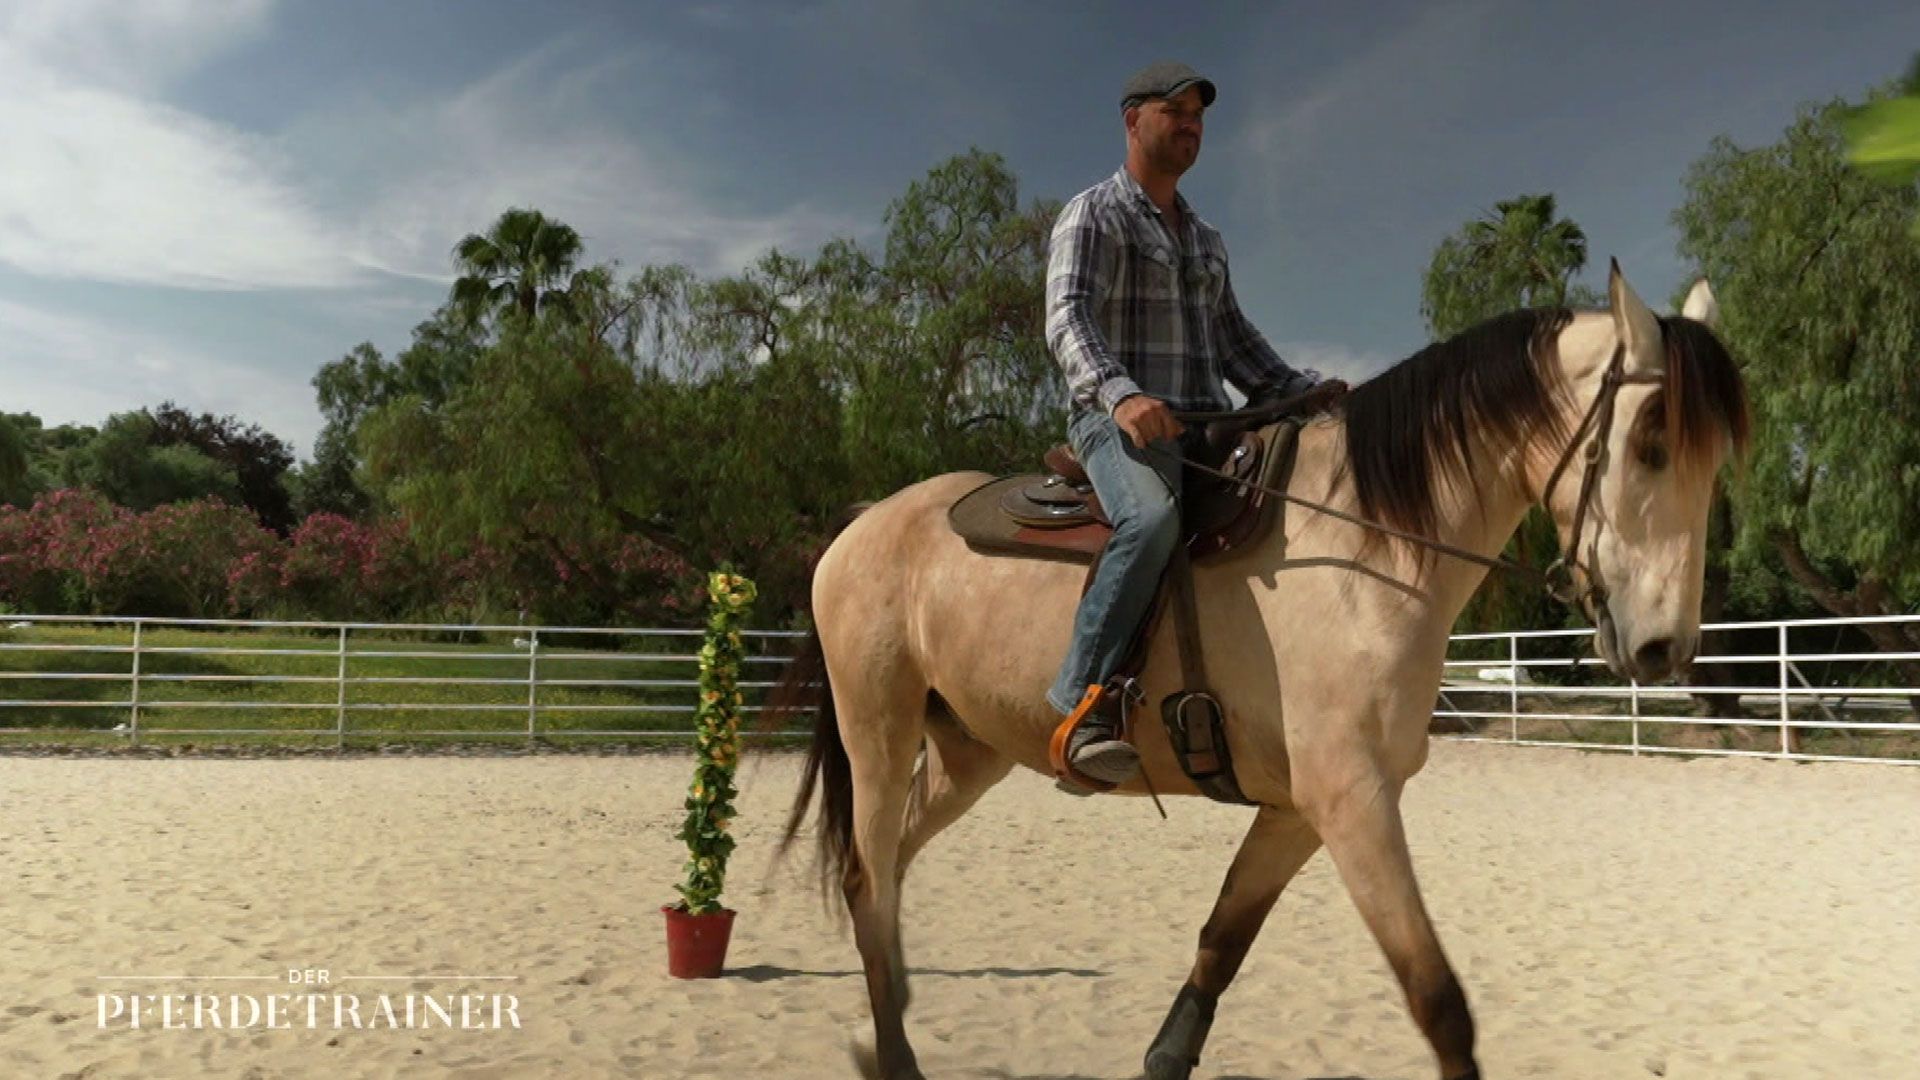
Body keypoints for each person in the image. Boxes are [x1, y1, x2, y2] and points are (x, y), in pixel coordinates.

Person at [1044, 61, 1333, 786]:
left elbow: (1237, 344)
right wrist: (1120, 394)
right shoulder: (1093, 213)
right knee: (1150, 518)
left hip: (1209, 426)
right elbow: (1067, 316)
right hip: (1119, 423)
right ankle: (1085, 701)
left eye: (1198, 114)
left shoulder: (1206, 239)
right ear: (1132, 120)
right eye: (1174, 110)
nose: (1191, 124)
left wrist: (1308, 393)